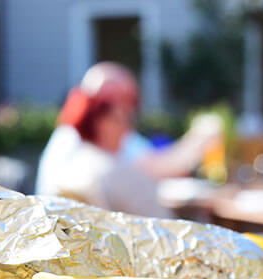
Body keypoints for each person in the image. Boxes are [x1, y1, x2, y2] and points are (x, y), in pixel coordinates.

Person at [35, 62, 220, 217]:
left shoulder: (74, 144)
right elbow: (163, 168)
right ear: (105, 114)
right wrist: (201, 137)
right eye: (126, 105)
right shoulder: (106, 161)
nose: (130, 117)